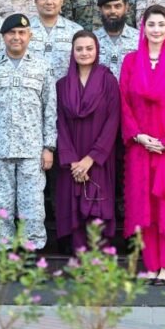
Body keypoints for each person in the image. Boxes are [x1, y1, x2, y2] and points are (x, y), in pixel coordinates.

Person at [120, 5, 165, 284]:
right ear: (143, 28)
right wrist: (138, 135)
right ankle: (150, 264)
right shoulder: (130, 61)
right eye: (151, 24)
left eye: (161, 24)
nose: (156, 30)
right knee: (144, 207)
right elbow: (124, 102)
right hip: (139, 146)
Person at [0, 14, 57, 251]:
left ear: (30, 36)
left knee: (32, 205)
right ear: (3, 37)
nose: (17, 37)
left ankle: (32, 253)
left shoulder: (42, 67)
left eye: (22, 33)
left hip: (32, 150)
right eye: (11, 33)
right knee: (1, 206)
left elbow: (49, 109)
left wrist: (48, 147)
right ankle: (3, 253)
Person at [56, 30, 121, 251]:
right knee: (75, 210)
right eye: (79, 49)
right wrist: (73, 161)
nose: (84, 53)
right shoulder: (62, 85)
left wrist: (91, 159)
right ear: (72, 52)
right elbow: (60, 124)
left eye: (89, 48)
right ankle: (80, 260)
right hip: (72, 160)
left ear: (97, 50)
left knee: (97, 209)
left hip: (99, 158)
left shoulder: (108, 81)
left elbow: (113, 121)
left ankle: (98, 262)